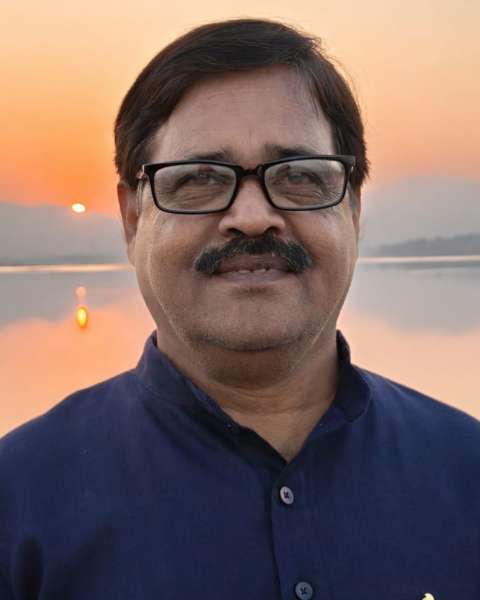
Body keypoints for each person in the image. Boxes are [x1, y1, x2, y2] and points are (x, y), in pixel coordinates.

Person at [0, 18, 478, 599]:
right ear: (132, 219)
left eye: (299, 176)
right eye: (200, 178)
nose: (252, 218)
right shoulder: (18, 504)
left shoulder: (466, 473)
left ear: (353, 210)